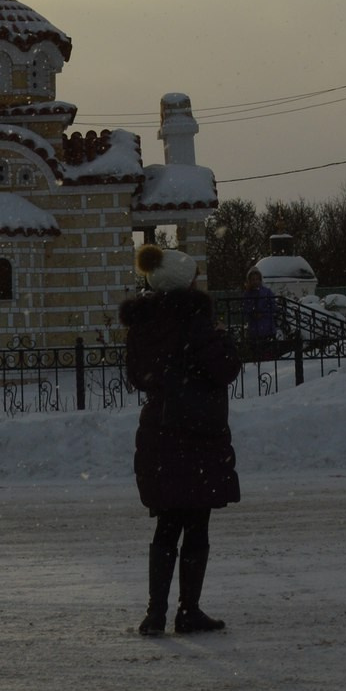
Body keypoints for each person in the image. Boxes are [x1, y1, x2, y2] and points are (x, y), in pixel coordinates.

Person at [119, 244, 241, 637]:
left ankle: (155, 613)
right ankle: (188, 610)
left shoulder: (143, 323)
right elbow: (224, 369)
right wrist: (224, 340)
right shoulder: (195, 321)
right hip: (198, 431)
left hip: (159, 430)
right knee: (197, 525)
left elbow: (138, 376)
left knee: (167, 526)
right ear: (185, 282)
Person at [242, 265, 280, 358]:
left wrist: (263, 313)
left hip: (267, 327)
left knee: (267, 351)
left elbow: (273, 306)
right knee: (256, 351)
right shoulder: (247, 294)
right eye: (253, 279)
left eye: (257, 279)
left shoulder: (266, 292)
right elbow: (245, 308)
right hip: (254, 328)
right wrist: (252, 313)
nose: (255, 282)